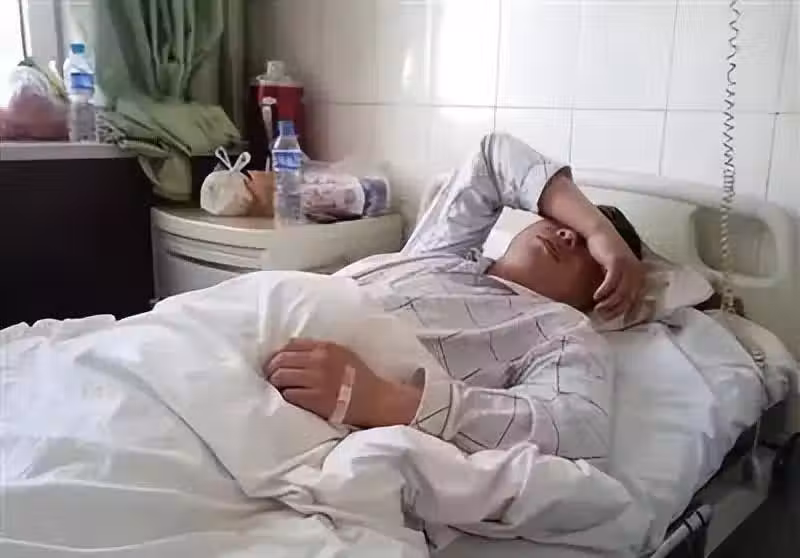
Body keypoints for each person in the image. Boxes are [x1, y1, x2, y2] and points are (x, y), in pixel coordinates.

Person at [263, 133, 645, 461]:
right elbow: (493, 158)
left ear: (604, 287)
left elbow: (573, 428)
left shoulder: (561, 332)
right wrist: (598, 230)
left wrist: (383, 401)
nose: (568, 235)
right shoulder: (443, 253)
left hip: (296, 402)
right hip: (265, 316)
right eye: (567, 223)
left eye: (588, 249)